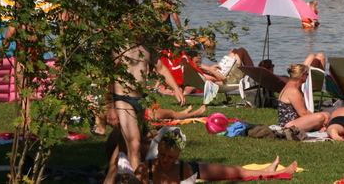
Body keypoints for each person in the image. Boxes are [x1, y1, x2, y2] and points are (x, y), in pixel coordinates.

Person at [110, 45, 185, 176]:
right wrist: (110, 107)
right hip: (122, 98)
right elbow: (109, 75)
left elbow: (160, 67)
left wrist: (176, 88)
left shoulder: (147, 42)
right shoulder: (120, 42)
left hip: (140, 99)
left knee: (122, 147)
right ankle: (139, 179)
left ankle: (109, 179)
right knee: (135, 145)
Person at [135, 129, 297, 183]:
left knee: (238, 171)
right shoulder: (145, 169)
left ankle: (273, 172)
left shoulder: (184, 169)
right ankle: (268, 170)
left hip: (194, 169)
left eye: (170, 157)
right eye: (162, 154)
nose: (164, 160)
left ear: (177, 155)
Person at [277, 63, 329, 132]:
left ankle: (319, 127)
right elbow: (303, 113)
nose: (307, 76)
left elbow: (305, 111)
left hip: (294, 121)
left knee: (326, 114)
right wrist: (319, 120)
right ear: (302, 76)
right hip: (288, 125)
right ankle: (321, 127)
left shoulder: (291, 86)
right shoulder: (293, 90)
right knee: (320, 117)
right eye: (307, 74)